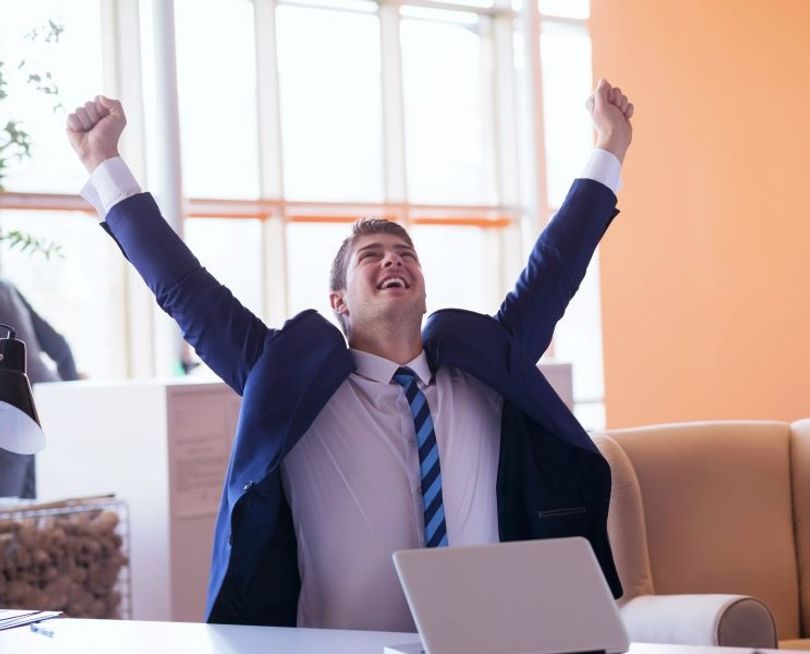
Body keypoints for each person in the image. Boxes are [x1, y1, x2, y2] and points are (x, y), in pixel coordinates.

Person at [65, 79, 634, 630]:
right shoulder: (287, 382)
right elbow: (185, 289)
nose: (393, 261)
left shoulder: (487, 372)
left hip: (480, 644)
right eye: (372, 255)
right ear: (338, 300)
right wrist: (104, 163)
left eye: (404, 253)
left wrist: (609, 147)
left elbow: (557, 266)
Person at [0, 279, 79, 498]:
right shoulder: (7, 287)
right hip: (45, 405)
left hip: (11, 413)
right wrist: (70, 396)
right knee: (31, 510)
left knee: (7, 512)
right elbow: (60, 347)